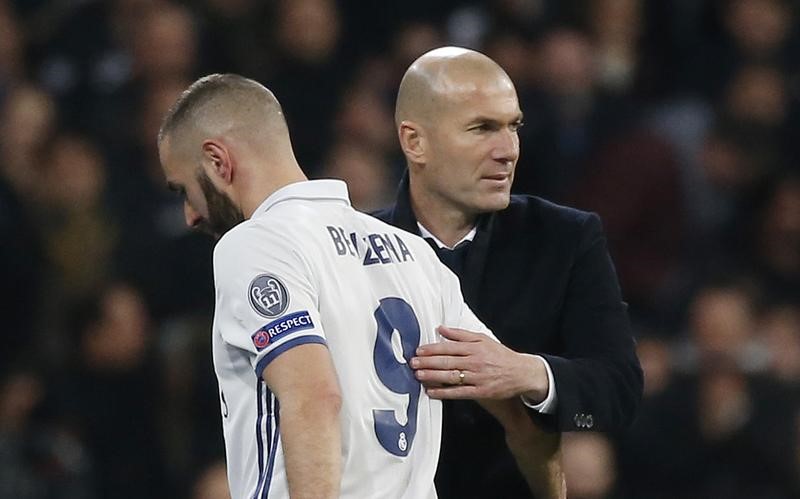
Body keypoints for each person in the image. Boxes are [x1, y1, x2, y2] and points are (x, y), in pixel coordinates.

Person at [157, 73, 510, 499]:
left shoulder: (255, 243)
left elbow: (313, 396)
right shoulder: (413, 253)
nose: (189, 215)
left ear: (217, 161)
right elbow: (511, 394)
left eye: (185, 189)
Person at [374, 46, 644, 498]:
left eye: (513, 126)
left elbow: (619, 392)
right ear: (414, 141)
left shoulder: (565, 238)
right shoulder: (354, 246)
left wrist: (528, 373)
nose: (508, 151)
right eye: (482, 128)